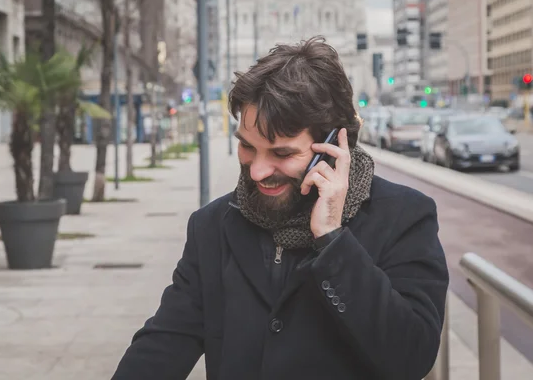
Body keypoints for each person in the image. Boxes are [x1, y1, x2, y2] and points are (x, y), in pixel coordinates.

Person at [111, 36, 449, 380]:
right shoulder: (212, 226)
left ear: (334, 145)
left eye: (282, 153)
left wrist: (333, 240)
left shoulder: (403, 217)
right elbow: (163, 345)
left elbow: (411, 358)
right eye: (247, 146)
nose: (257, 171)